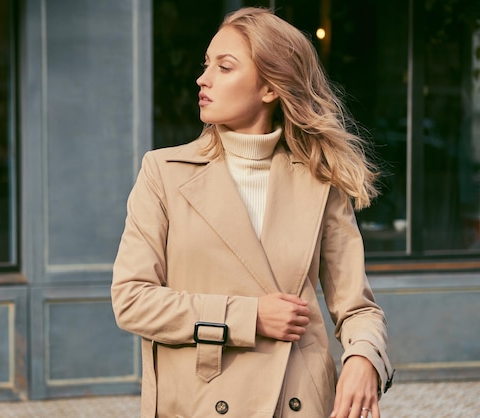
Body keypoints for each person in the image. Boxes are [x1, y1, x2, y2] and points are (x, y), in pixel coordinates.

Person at [112, 7, 394, 418]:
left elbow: (357, 309)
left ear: (269, 88)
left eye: (224, 67)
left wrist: (365, 358)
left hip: (296, 401)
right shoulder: (163, 174)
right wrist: (250, 317)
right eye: (206, 65)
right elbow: (132, 300)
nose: (203, 79)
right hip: (197, 402)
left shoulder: (320, 182)